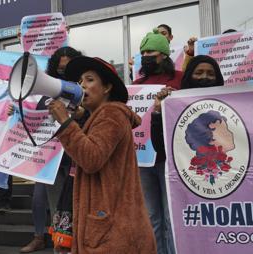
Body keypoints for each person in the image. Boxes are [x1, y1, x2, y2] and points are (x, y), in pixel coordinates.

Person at [48, 56, 156, 253]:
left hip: (111, 233)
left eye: (89, 80)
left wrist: (65, 123)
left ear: (107, 87)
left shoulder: (111, 114)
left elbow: (91, 159)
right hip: (109, 227)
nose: (82, 86)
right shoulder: (99, 116)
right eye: (80, 81)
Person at [150, 55, 224, 254]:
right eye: (198, 73)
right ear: (189, 76)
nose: (205, 77)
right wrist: (159, 113)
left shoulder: (229, 106)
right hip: (185, 184)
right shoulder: (175, 105)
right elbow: (160, 146)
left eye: (210, 73)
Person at [19, 46, 83, 253]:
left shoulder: (84, 92)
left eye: (68, 67)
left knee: (79, 210)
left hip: (76, 160)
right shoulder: (46, 96)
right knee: (58, 211)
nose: (63, 70)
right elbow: (38, 125)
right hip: (53, 162)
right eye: (60, 67)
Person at [133, 28, 184, 254]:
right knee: (151, 216)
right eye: (143, 53)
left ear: (164, 54)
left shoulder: (180, 79)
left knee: (171, 216)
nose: (146, 57)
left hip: (172, 158)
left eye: (151, 52)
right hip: (145, 160)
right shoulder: (137, 82)